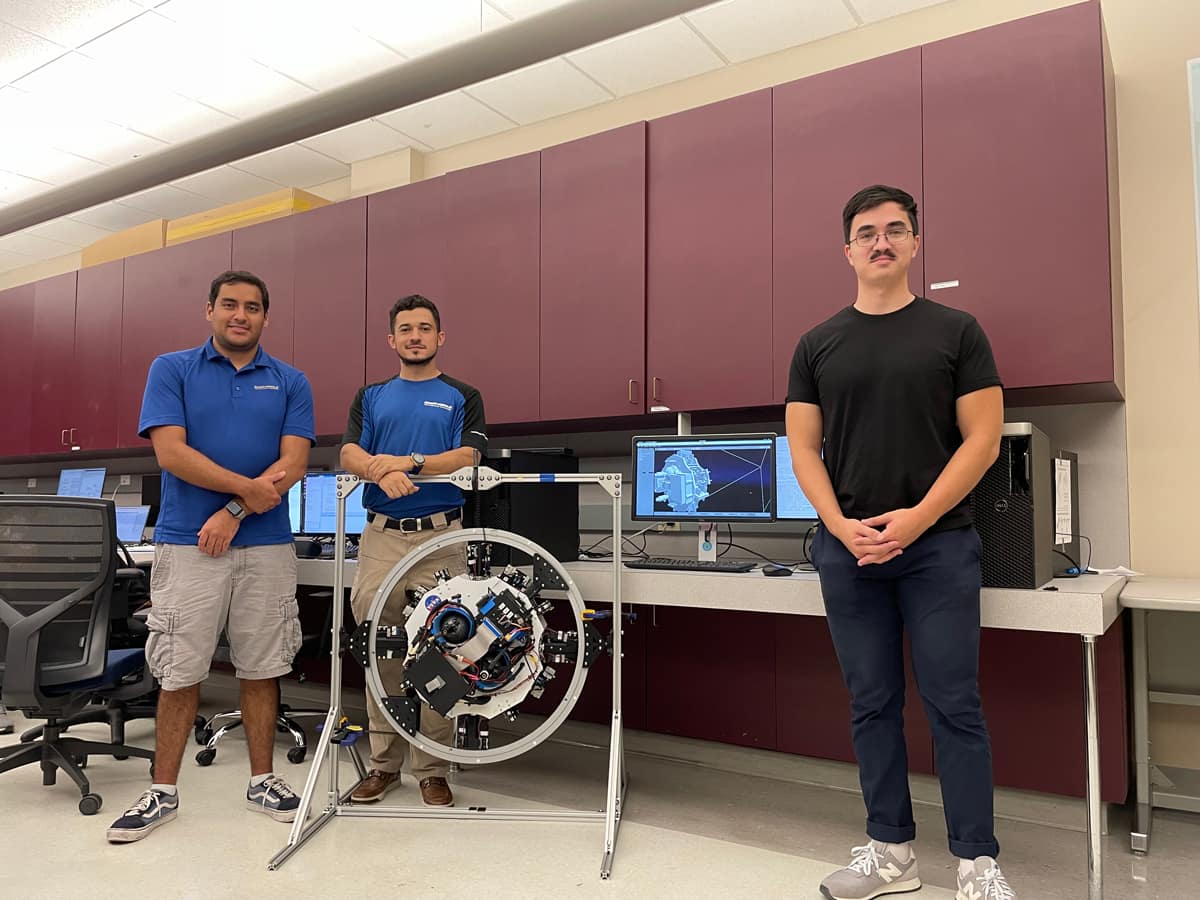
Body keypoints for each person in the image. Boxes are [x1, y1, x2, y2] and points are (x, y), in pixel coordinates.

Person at [786, 186, 1016, 900]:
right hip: (848, 552)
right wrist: (837, 525)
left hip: (938, 547)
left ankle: (977, 865)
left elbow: (982, 440)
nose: (881, 242)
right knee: (871, 703)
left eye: (895, 230)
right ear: (847, 250)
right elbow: (802, 450)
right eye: (866, 232)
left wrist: (915, 519)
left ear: (915, 243)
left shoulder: (956, 330)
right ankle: (891, 854)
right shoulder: (817, 343)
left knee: (954, 702)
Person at [106, 270, 315, 843]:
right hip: (187, 543)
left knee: (262, 665)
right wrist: (246, 490)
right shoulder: (172, 369)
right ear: (210, 311)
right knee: (180, 669)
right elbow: (171, 452)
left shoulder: (291, 380)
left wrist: (235, 512)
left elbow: (293, 464)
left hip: (265, 545)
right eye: (229, 305)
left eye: (252, 307)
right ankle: (162, 791)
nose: (239, 314)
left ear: (266, 318)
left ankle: (263, 781)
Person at [340, 294, 487, 808]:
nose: (416, 336)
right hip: (381, 535)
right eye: (406, 329)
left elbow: (468, 454)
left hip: (441, 538)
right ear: (392, 340)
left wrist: (405, 463)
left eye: (425, 328)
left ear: (440, 336)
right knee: (381, 648)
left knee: (444, 650)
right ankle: (383, 766)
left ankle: (432, 767)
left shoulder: (462, 395)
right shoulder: (371, 396)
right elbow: (349, 452)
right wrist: (378, 469)